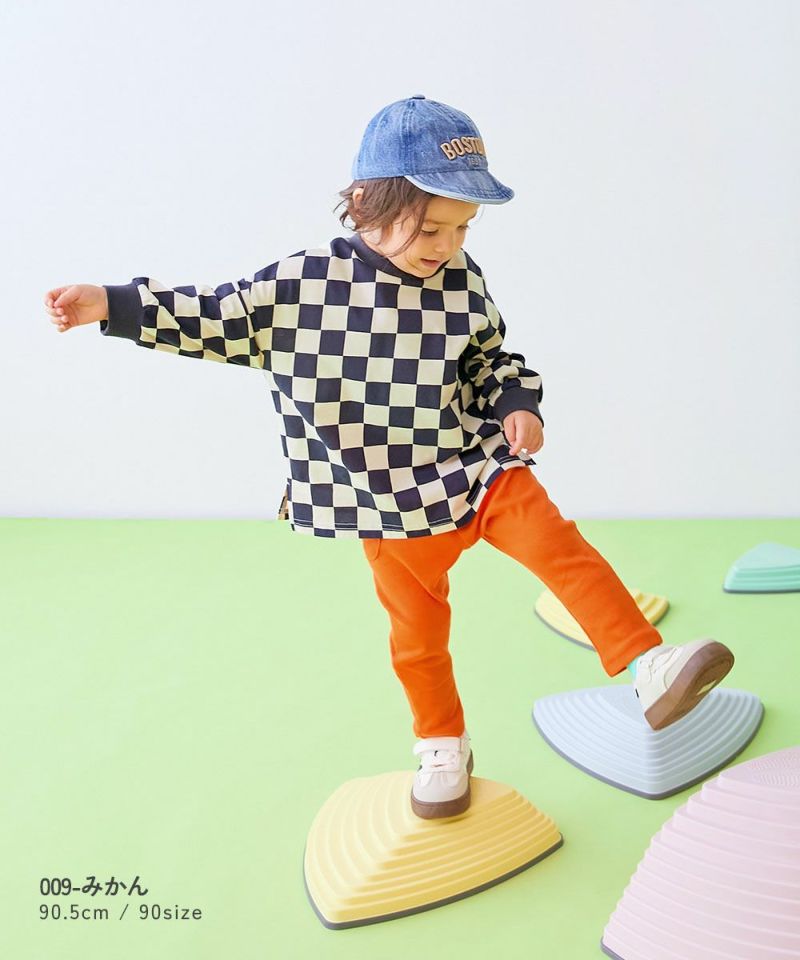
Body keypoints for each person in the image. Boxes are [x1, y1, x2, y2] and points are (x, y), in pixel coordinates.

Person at [44, 94, 734, 821]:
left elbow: (488, 359)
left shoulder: (462, 280)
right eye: (431, 227)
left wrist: (515, 403)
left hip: (474, 469)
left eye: (463, 227)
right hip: (382, 499)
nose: (447, 244)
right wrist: (111, 304)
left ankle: (648, 664)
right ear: (365, 204)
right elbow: (214, 314)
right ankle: (442, 745)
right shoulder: (303, 285)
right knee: (418, 640)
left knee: (562, 549)